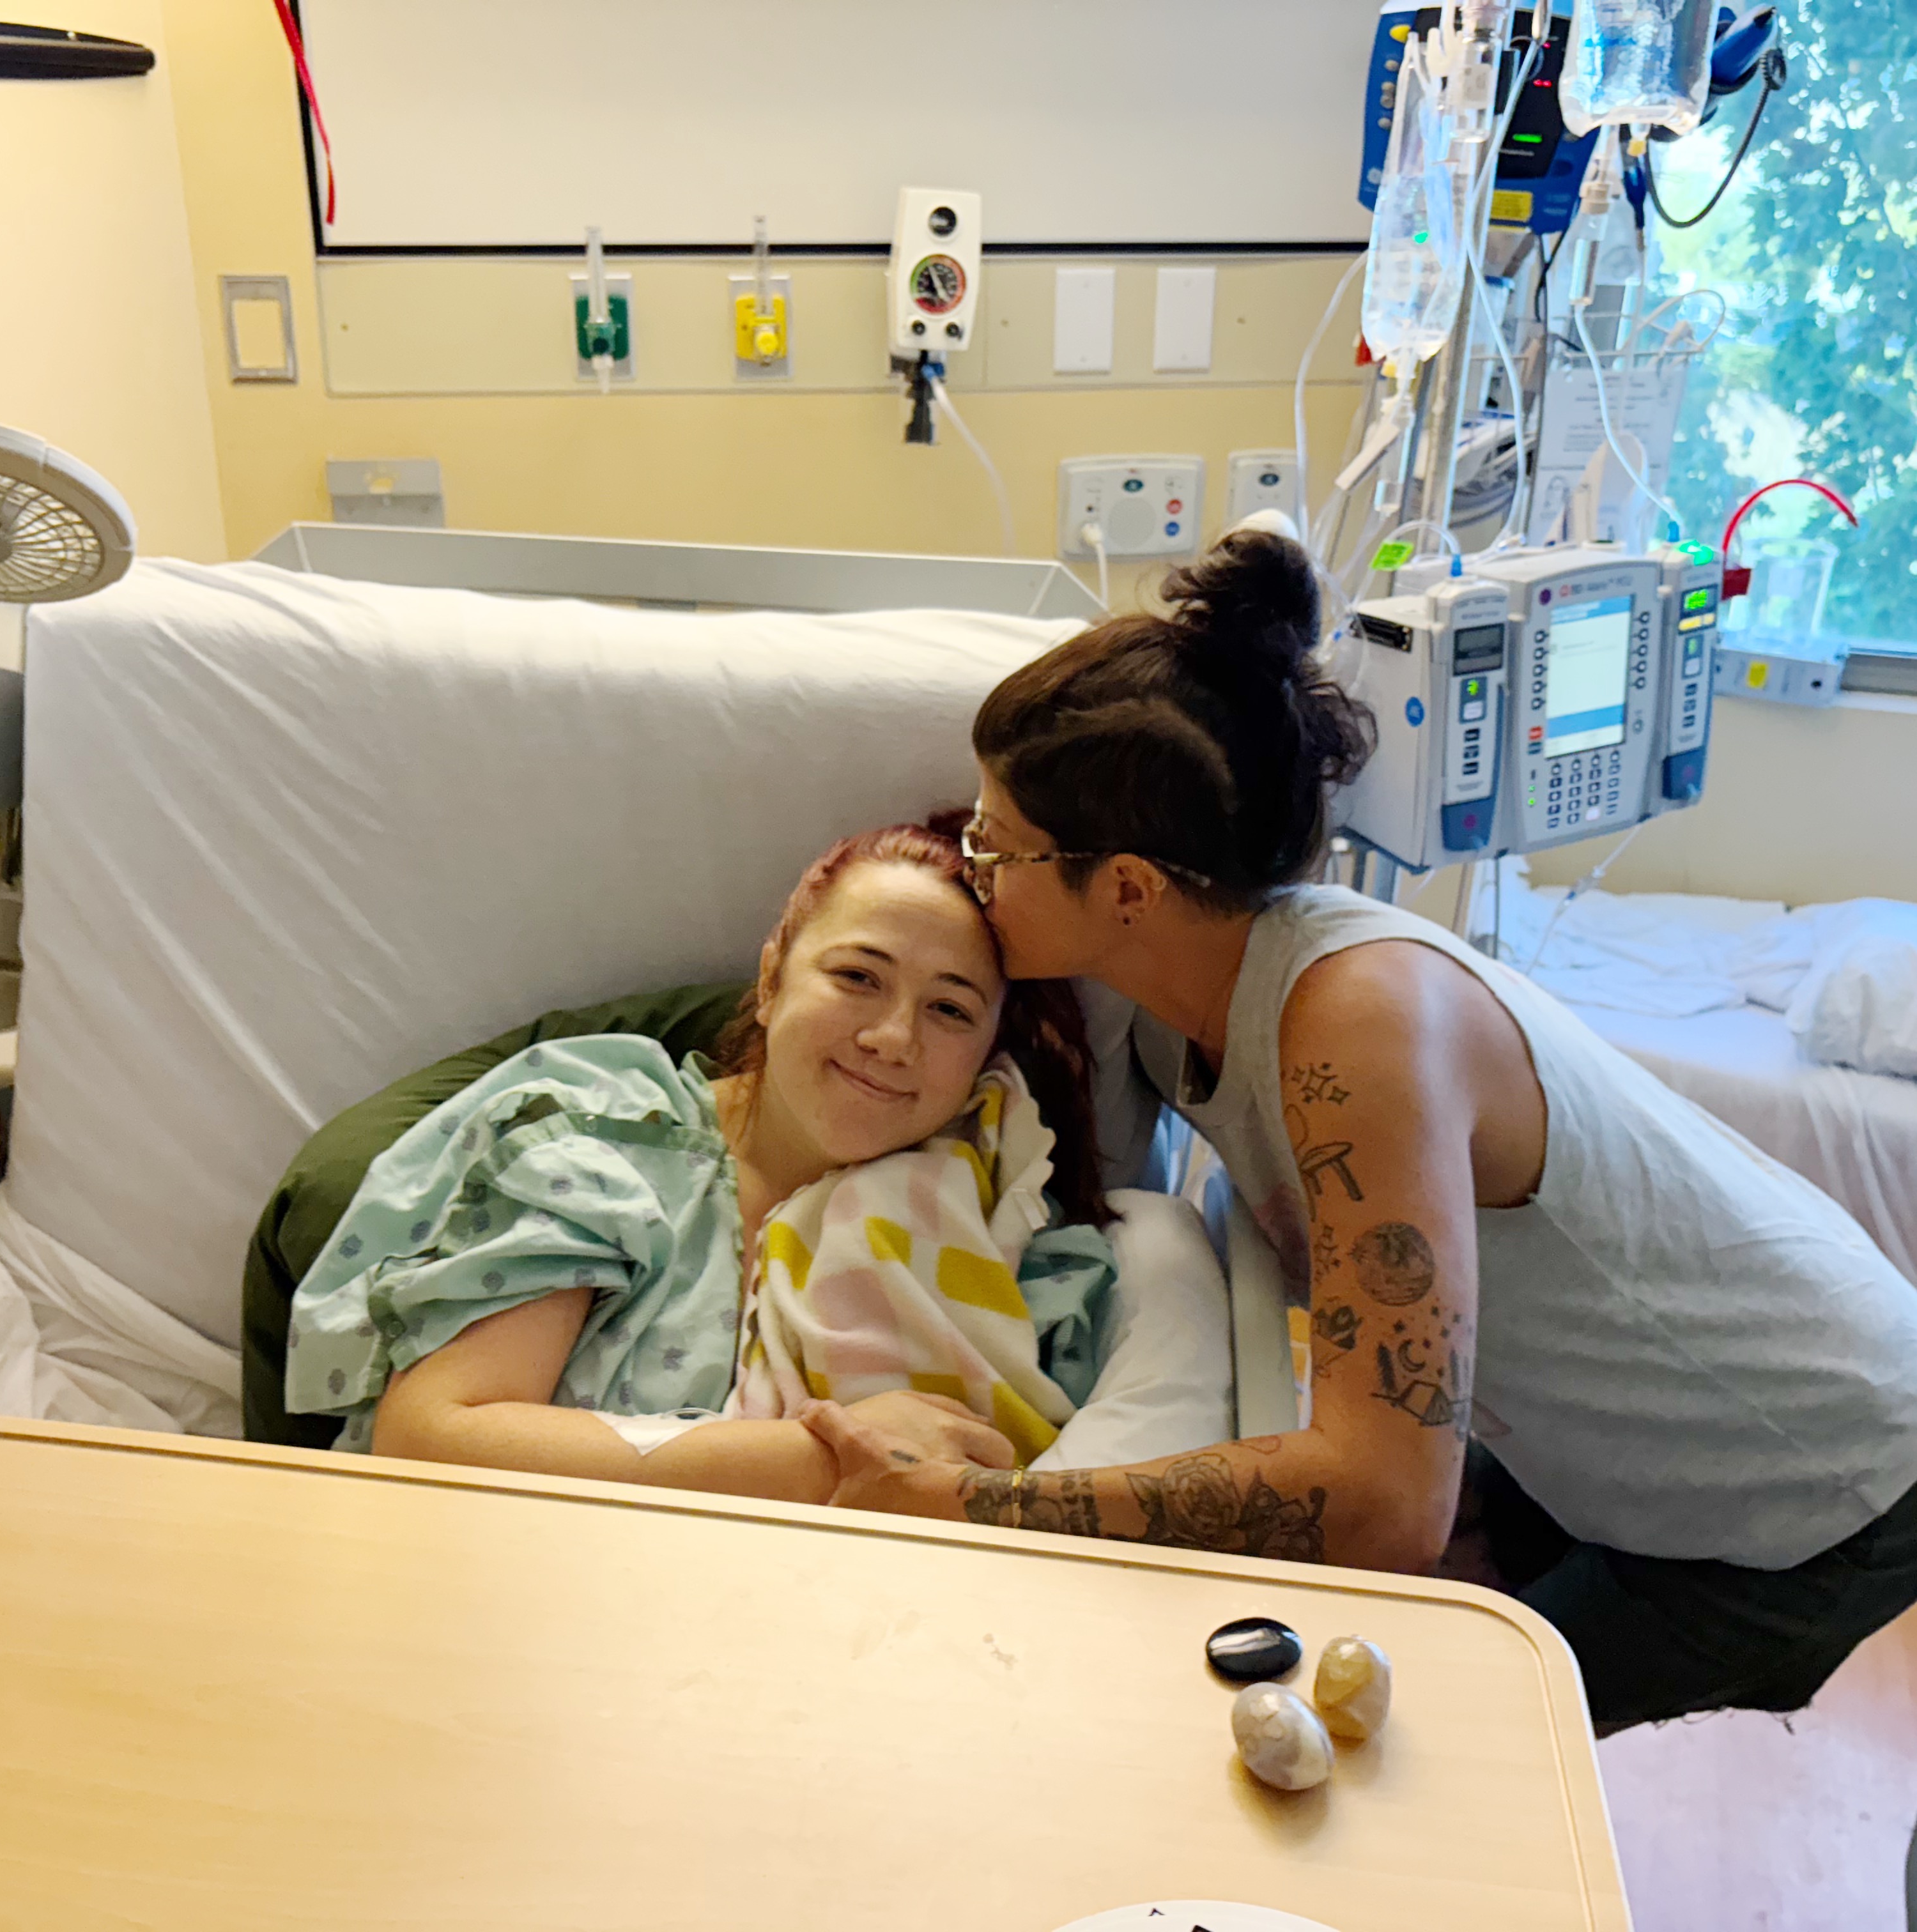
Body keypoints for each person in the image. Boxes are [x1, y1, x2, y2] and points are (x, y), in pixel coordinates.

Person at [797, 527, 1917, 1731]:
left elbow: (1385, 1507)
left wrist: (971, 1505)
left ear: (1125, 889)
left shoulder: (1358, 1024)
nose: (972, 870)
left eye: (997, 846)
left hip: (1814, 1465)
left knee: (1453, 1755)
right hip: (1604, 1422)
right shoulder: (1177, 1005)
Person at [285, 821, 1120, 1502]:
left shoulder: (980, 1221)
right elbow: (432, 1442)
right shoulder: (611, 1147)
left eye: (949, 1009)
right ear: (773, 976)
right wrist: (834, 1460)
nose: (893, 1038)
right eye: (858, 977)